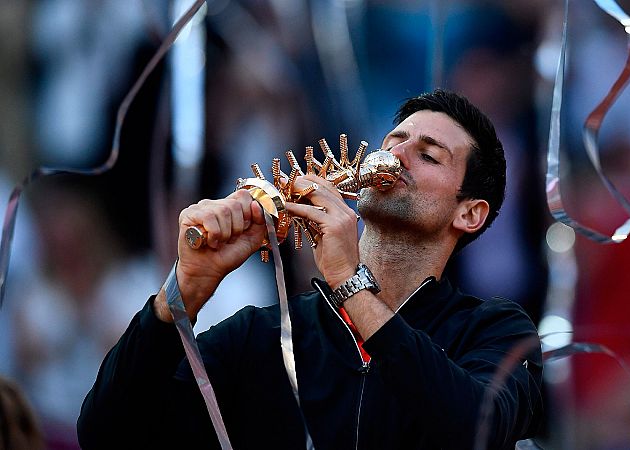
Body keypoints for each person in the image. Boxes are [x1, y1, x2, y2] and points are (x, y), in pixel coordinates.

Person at [77, 89, 543, 449]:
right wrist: (182, 293)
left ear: (469, 214)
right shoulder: (262, 335)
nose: (396, 157)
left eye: (428, 155)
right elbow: (108, 433)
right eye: (393, 141)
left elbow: (476, 429)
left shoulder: (493, 330)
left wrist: (350, 283)